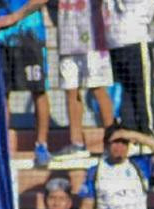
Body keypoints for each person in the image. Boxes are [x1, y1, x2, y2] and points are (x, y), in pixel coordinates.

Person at [0, 0, 52, 168]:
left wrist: (15, 17)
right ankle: (2, 147)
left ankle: (41, 145)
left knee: (39, 90)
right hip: (1, 37)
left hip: (30, 34)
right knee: (1, 93)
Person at [52, 0, 114, 161]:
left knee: (98, 89)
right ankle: (76, 142)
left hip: (92, 40)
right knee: (71, 90)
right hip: (67, 39)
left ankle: (111, 141)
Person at [102, 0, 154, 138]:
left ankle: (141, 133)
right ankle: (141, 133)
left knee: (135, 91)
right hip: (129, 39)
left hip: (125, 39)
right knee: (135, 91)